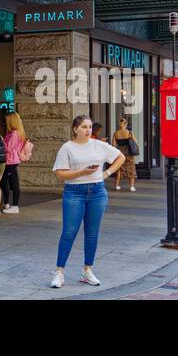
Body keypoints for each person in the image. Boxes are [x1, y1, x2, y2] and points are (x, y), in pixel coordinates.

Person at [50, 114, 125, 288]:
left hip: (97, 191)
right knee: (69, 232)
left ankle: (87, 270)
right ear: (75, 129)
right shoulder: (67, 148)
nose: (88, 130)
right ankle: (59, 272)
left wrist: (106, 173)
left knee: (92, 233)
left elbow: (120, 157)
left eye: (90, 127)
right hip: (74, 192)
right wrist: (82, 173)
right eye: (84, 127)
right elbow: (60, 174)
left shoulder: (99, 145)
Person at [1, 112, 30, 214]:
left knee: (13, 183)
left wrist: (1, 141)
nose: (6, 122)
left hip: (11, 161)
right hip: (11, 160)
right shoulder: (16, 132)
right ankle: (7, 204)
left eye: (8, 120)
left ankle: (14, 206)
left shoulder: (14, 133)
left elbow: (8, 148)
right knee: (4, 182)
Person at [112, 117, 138, 192]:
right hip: (129, 152)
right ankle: (132, 186)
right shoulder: (129, 132)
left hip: (120, 152)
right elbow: (135, 142)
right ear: (125, 124)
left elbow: (113, 144)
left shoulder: (116, 133)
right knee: (131, 168)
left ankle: (117, 185)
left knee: (119, 168)